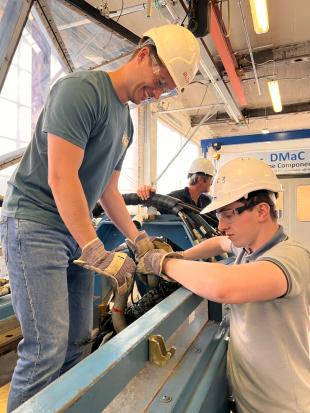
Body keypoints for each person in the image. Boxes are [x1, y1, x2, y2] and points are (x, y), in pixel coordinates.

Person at [0, 24, 200, 411]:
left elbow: (107, 191)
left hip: (74, 232)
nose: (157, 93)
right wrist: (94, 248)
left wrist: (139, 241)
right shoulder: (83, 90)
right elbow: (61, 176)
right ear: (144, 53)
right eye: (160, 81)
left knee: (78, 342)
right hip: (36, 224)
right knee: (46, 349)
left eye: (167, 90)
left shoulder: (124, 122)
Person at [136, 157, 310, 413]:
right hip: (248, 401)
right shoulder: (248, 248)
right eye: (219, 215)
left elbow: (223, 287)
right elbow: (218, 243)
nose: (221, 226)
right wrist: (182, 257)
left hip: (282, 405)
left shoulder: (291, 257)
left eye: (228, 214)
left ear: (262, 211)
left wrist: (162, 263)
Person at [137, 157, 215, 212]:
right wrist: (146, 192)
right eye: (211, 179)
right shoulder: (173, 198)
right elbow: (152, 205)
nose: (211, 183)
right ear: (200, 179)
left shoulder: (207, 201)